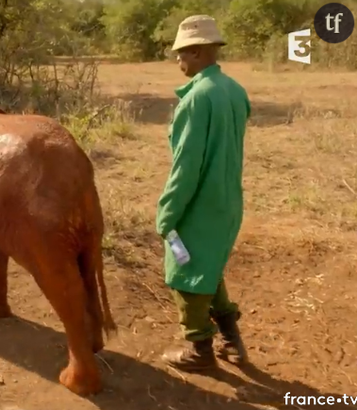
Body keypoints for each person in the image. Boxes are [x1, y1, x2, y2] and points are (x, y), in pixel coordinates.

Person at [155, 15, 251, 371]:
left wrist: (167, 214)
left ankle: (199, 348)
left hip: (198, 204)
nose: (178, 60)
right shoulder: (234, 90)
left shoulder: (196, 98)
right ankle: (232, 340)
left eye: (181, 54)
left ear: (196, 52)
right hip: (227, 201)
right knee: (208, 265)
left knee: (184, 273)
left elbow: (186, 167)